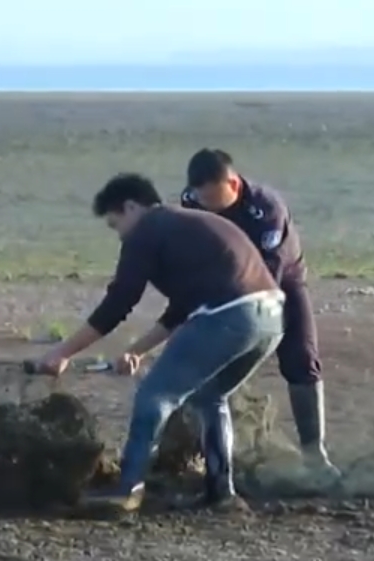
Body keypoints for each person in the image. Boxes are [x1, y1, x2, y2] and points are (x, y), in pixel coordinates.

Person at [28, 172, 285, 514]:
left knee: (155, 395)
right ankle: (221, 493)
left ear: (132, 207)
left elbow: (120, 300)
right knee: (211, 397)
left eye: (114, 224)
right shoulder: (185, 225)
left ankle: (128, 490)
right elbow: (182, 307)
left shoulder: (147, 229)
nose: (119, 234)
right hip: (271, 317)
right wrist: (137, 349)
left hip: (229, 315)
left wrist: (62, 352)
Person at [179, 148, 338, 478]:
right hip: (221, 275)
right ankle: (200, 450)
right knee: (200, 362)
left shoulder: (265, 210)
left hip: (280, 280)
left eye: (213, 200)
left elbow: (265, 279)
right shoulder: (191, 202)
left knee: (301, 358)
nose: (206, 207)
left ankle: (314, 453)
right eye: (200, 199)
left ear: (233, 185)